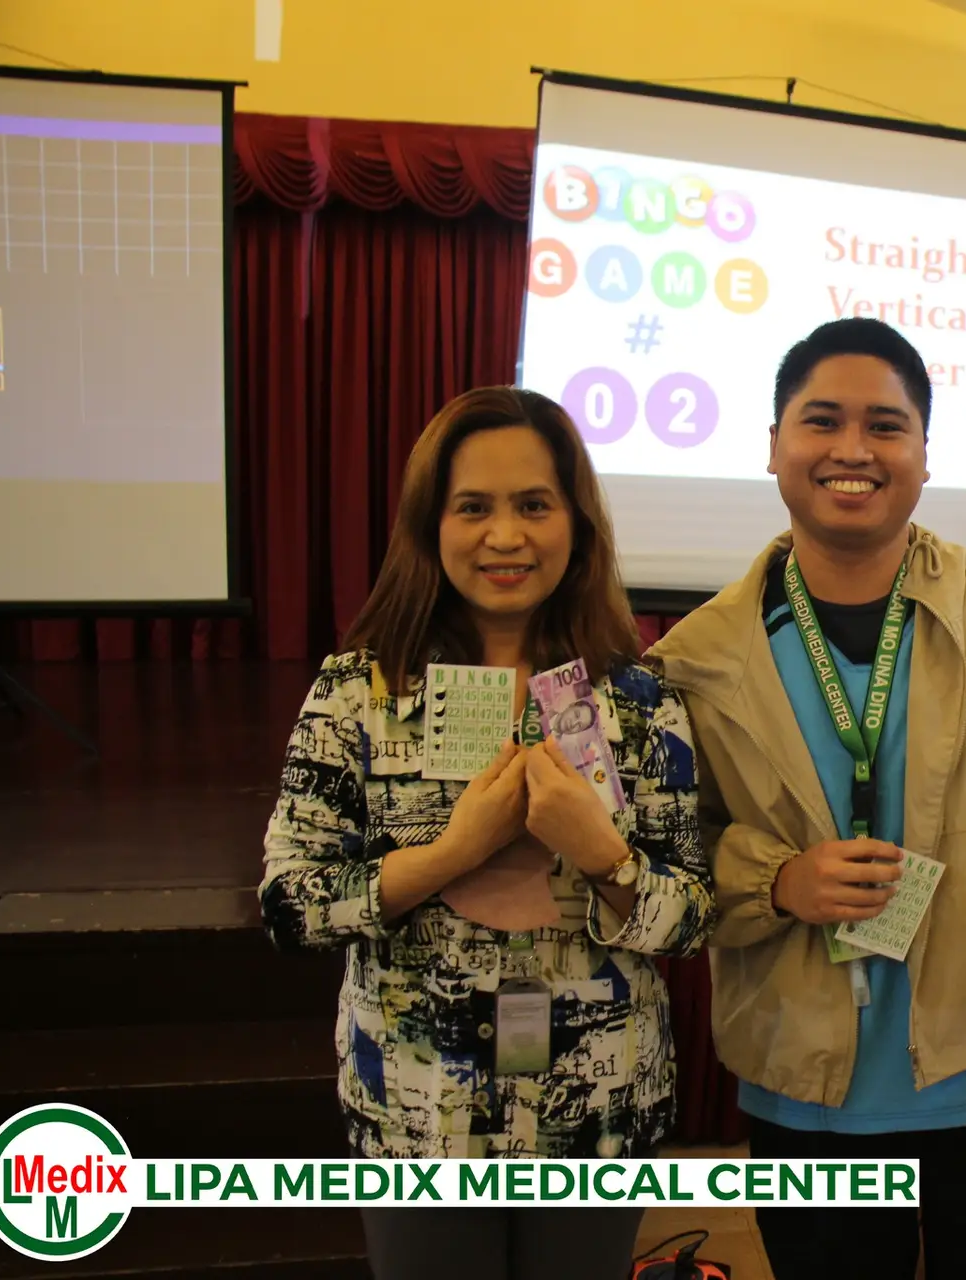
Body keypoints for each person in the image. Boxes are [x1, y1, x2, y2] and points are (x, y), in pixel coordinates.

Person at [649, 318, 966, 1279]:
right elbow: (669, 852)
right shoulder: (697, 657)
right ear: (774, 445)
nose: (853, 449)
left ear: (924, 453)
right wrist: (776, 881)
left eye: (886, 425)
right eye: (822, 421)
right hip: (801, 1091)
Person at [259, 387, 715, 1280]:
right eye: (473, 507)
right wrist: (451, 854)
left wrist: (605, 857)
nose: (505, 536)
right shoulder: (358, 693)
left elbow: (693, 917)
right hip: (418, 1115)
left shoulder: (637, 701)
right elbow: (289, 907)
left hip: (597, 1112)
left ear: (576, 523)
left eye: (534, 505)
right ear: (431, 525)